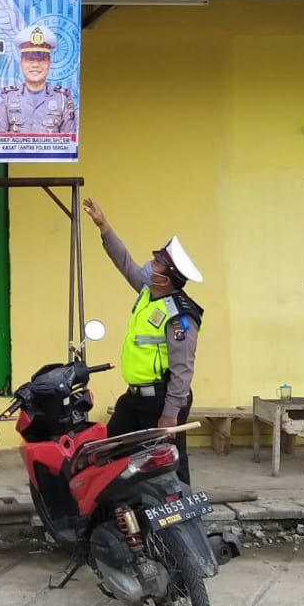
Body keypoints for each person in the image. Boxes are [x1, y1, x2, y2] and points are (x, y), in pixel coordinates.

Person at [82, 196, 203, 485]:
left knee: (168, 467)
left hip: (161, 400)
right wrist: (104, 226)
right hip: (135, 398)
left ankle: (181, 510)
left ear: (166, 278)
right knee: (111, 450)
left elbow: (183, 369)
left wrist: (170, 414)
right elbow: (124, 262)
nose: (150, 265)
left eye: (157, 264)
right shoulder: (148, 292)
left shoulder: (179, 315)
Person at [0, 24, 77, 135]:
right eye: (29, 59)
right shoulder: (7, 98)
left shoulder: (63, 99)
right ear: (21, 63)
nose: (35, 65)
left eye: (42, 59)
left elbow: (69, 142)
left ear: (49, 63)